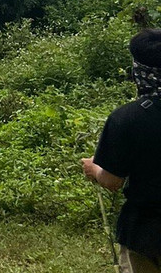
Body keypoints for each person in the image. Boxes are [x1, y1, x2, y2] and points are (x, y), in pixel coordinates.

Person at [82, 28, 161, 273]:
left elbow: (112, 180)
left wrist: (93, 168)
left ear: (139, 71)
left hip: (148, 233)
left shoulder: (127, 118)